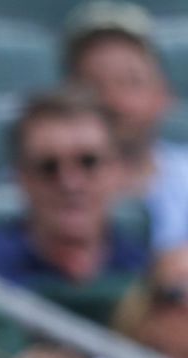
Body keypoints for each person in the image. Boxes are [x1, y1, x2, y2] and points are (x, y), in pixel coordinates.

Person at [0, 89, 148, 290]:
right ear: (21, 179)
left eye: (88, 162)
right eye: (48, 167)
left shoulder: (145, 277)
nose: (70, 183)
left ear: (116, 171)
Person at [64, 1, 188, 251]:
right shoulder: (41, 178)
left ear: (164, 94)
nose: (112, 100)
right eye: (92, 85)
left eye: (130, 82)